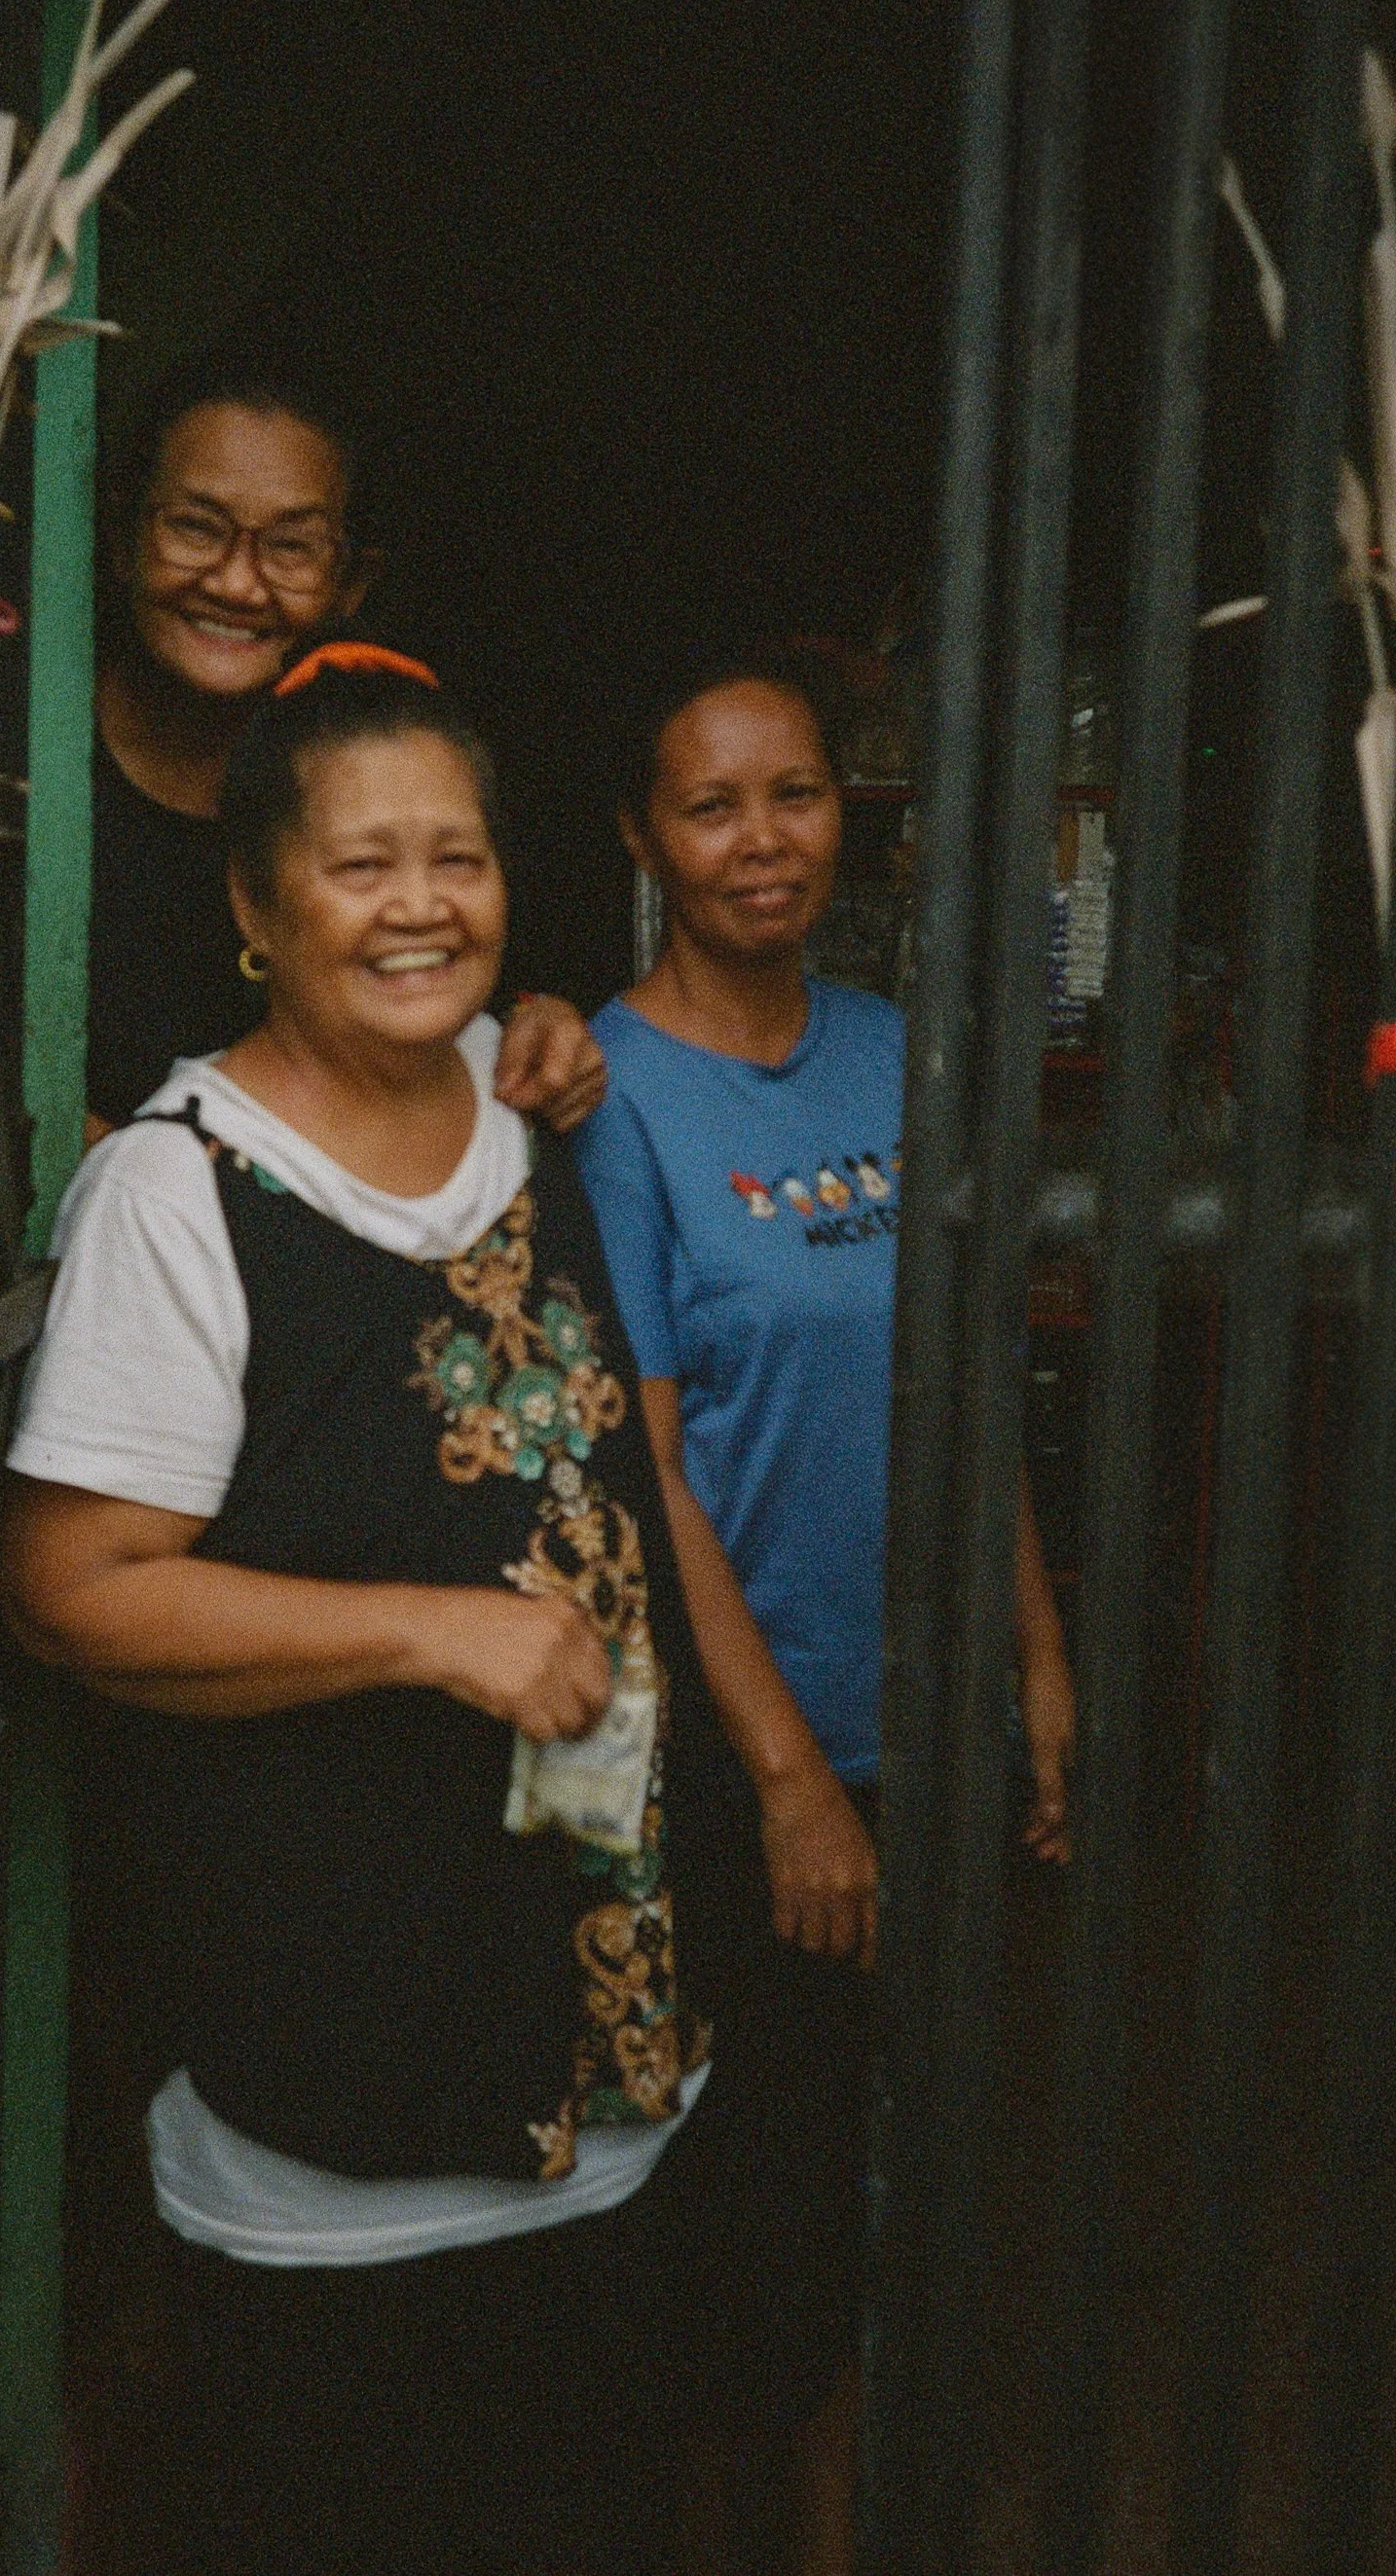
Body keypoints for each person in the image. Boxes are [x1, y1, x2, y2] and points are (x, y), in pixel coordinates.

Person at [3, 648, 762, 2576]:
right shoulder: (177, 1196)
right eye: (359, 865)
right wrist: (431, 1631)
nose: (420, 899)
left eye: (458, 855)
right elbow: (72, 1590)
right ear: (257, 909)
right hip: (333, 2104)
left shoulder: (549, 1130)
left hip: (594, 2049)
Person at [571, 649, 1076, 2573]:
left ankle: (833, 2534)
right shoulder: (612, 1091)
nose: (759, 837)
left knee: (879, 2177)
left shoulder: (890, 1051)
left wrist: (1030, 1653)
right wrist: (782, 1768)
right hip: (735, 1750)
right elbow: (641, 1466)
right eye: (709, 804)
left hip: (917, 1712)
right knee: (747, 2204)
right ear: (641, 836)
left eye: (790, 791)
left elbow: (953, 1397)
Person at [85, 358, 603, 1140]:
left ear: (350, 583)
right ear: (123, 539)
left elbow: (472, 972)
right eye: (194, 527)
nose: (235, 583)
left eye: (291, 547)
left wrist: (540, 1023)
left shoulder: (383, 767)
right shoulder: (15, 764)